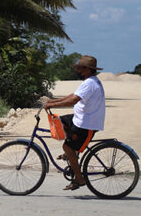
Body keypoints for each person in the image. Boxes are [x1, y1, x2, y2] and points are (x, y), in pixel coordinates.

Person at [43, 55, 105, 191]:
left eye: (81, 69)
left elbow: (73, 100)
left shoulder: (90, 83)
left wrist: (53, 106)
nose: (79, 71)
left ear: (88, 69)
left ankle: (79, 178)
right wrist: (52, 101)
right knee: (60, 122)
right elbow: (73, 95)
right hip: (80, 118)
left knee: (67, 147)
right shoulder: (90, 81)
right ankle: (73, 153)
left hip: (87, 124)